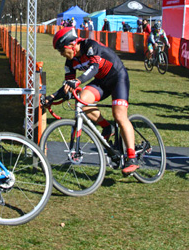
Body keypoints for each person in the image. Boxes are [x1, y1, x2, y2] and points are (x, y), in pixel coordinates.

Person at [41, 27, 140, 174]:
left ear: (72, 45)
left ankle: (132, 158)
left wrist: (79, 80)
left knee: (119, 116)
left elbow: (94, 67)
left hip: (118, 78)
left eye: (62, 50)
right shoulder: (70, 62)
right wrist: (52, 97)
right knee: (81, 100)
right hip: (101, 82)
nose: (61, 54)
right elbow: (68, 86)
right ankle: (107, 127)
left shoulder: (90, 45)